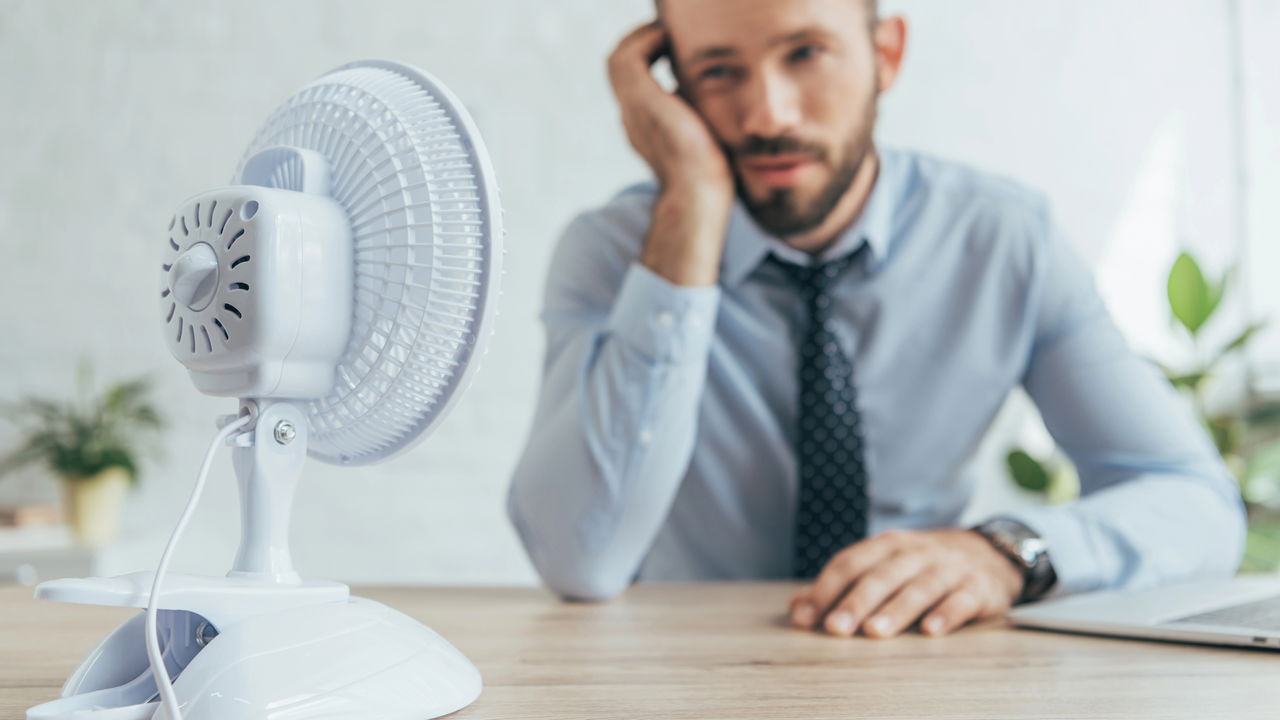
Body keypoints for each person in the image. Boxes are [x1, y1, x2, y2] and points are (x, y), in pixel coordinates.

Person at [507, 0, 1246, 639]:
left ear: (885, 54)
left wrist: (1005, 555)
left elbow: (1196, 503)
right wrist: (692, 205)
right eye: (718, 70)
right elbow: (581, 557)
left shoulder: (1003, 239)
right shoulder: (617, 253)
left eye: (806, 53)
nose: (769, 114)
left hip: (925, 659)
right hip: (682, 670)